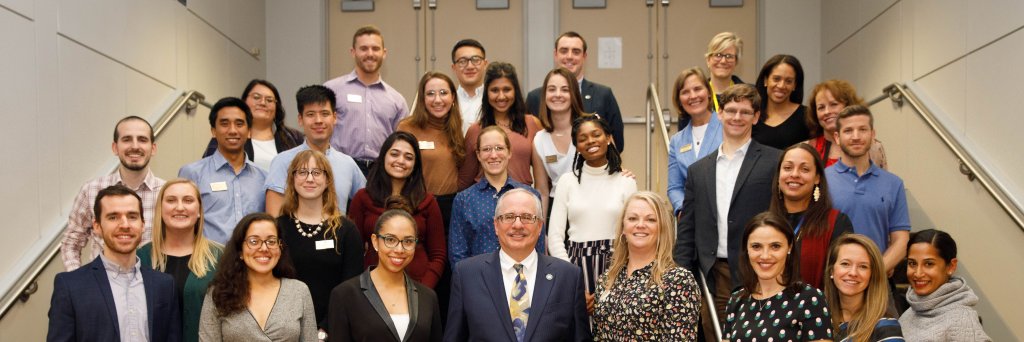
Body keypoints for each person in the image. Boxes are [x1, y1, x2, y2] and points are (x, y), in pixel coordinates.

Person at [672, 84, 781, 340]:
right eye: (731, 110)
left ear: (756, 117)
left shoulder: (775, 161)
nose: (736, 117)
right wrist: (680, 276)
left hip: (760, 270)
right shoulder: (699, 170)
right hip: (714, 274)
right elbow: (687, 228)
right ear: (719, 114)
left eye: (745, 112)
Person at [445, 189, 592, 341]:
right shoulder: (466, 275)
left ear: (540, 226)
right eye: (509, 217)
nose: (517, 224)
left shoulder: (568, 276)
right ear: (496, 225)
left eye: (527, 217)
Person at [48, 185, 181, 342]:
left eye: (132, 216)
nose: (124, 225)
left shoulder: (164, 285)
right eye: (113, 217)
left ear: (143, 225)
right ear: (97, 226)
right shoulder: (70, 286)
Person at [61, 116, 166, 271]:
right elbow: (71, 242)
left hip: (150, 287)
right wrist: (80, 282)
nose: (135, 146)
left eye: (142, 140)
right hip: (100, 288)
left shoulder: (166, 194)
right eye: (127, 139)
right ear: (115, 148)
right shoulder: (91, 190)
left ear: (153, 148)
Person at [547, 115, 636, 296]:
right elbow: (555, 237)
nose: (590, 141)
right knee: (581, 323)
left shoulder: (626, 181)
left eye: (596, 135)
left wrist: (618, 278)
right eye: (582, 139)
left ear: (609, 138)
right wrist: (572, 278)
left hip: (617, 267)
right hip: (575, 267)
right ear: (577, 147)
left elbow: (632, 234)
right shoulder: (567, 182)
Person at [592, 191, 700, 340]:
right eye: (632, 218)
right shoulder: (606, 280)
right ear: (623, 226)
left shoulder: (679, 280)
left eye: (650, 220)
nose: (640, 225)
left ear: (661, 228)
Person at [277, 149, 364, 332]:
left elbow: (351, 289)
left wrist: (324, 330)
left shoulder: (346, 231)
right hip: (284, 328)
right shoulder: (278, 229)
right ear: (292, 179)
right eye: (302, 172)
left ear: (327, 181)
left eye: (317, 173)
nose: (309, 179)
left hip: (334, 328)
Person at [328, 209, 443, 341]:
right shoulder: (345, 294)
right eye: (390, 239)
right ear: (375, 241)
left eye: (408, 241)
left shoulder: (428, 297)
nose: (399, 249)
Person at [349, 132, 446, 288]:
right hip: (371, 288)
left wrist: (423, 290)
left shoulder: (428, 202)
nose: (400, 161)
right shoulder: (362, 198)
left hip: (417, 286)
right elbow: (352, 252)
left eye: (408, 157)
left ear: (415, 165)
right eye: (394, 154)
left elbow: (438, 255)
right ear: (383, 157)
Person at [199, 213, 317, 341]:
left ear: (280, 248)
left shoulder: (298, 291)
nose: (264, 248)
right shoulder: (218, 293)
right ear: (240, 251)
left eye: (271, 241)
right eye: (254, 241)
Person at [825, 105, 910, 279]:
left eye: (862, 129)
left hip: (877, 282)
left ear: (873, 134)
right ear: (837, 137)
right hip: (833, 282)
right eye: (848, 130)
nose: (856, 137)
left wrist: (873, 272)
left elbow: (901, 242)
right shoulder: (821, 180)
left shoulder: (893, 184)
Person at [723, 212, 832, 341]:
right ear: (747, 249)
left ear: (789, 247)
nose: (765, 256)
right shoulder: (736, 300)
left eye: (775, 246)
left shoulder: (810, 299)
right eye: (756, 246)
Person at [137, 179, 223, 342]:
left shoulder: (220, 257)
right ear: (160, 209)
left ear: (199, 211)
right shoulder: (141, 258)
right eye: (171, 200)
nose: (180, 207)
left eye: (188, 200)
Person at [264, 85, 366, 216]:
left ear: (335, 118)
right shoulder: (283, 161)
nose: (318, 121)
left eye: (325, 114)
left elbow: (366, 203)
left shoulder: (348, 164)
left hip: (338, 235)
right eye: (310, 114)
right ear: (300, 119)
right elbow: (274, 218)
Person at [449, 126, 543, 266]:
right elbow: (458, 253)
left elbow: (539, 248)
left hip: (522, 280)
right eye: (487, 149)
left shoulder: (530, 196)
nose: (493, 155)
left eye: (499, 148)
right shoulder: (464, 200)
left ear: (509, 152)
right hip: (479, 281)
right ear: (478, 155)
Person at [179, 97, 267, 244]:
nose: (232, 130)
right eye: (224, 124)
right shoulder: (192, 173)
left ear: (249, 132)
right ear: (213, 131)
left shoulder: (264, 177)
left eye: (239, 124)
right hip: (208, 262)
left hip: (253, 260)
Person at [324, 25, 409, 176]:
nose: (370, 54)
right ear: (353, 52)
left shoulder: (397, 100)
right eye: (364, 48)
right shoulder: (331, 90)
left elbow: (403, 142)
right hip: (339, 169)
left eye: (375, 49)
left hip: (381, 173)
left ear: (384, 53)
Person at [769, 143, 853, 289]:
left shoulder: (836, 223)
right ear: (778, 176)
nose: (794, 174)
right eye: (788, 168)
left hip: (818, 309)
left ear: (817, 178)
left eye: (805, 169)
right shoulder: (765, 224)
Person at [526, 31, 624, 150]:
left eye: (576, 52)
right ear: (555, 54)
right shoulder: (535, 97)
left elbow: (617, 143)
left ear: (584, 56)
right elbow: (528, 145)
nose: (569, 56)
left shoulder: (603, 95)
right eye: (564, 51)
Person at [396, 72, 465, 229]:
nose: (437, 100)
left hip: (451, 207)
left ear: (453, 97)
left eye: (443, 93)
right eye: (430, 94)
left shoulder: (458, 129)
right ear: (422, 99)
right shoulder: (407, 127)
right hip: (416, 204)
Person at [459, 62, 542, 189]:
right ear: (486, 93)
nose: (501, 96)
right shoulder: (475, 130)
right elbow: (465, 181)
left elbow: (542, 176)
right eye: (495, 90)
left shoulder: (532, 124)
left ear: (515, 91)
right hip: (485, 204)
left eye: (507, 89)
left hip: (522, 202)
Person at [900, 229, 991, 341]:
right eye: (912, 263)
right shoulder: (912, 310)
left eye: (929, 264)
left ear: (951, 266)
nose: (918, 273)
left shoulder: (963, 321)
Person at [202, 79, 304, 171]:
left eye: (269, 100)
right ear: (244, 101)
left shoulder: (294, 137)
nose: (263, 103)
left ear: (277, 107)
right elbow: (207, 169)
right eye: (256, 97)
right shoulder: (229, 134)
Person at [824, 234, 905, 342]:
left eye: (863, 266)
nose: (853, 273)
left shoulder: (885, 327)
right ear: (831, 271)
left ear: (872, 275)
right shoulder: (816, 320)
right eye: (845, 264)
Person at [667, 67, 723, 214]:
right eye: (685, 92)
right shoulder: (677, 141)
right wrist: (683, 209)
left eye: (698, 89)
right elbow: (674, 188)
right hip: (691, 218)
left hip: (725, 213)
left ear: (708, 93)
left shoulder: (728, 127)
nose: (693, 96)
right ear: (679, 99)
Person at [532, 67, 586, 216]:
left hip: (590, 207)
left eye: (564, 90)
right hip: (557, 211)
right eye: (551, 89)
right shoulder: (539, 140)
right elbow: (542, 191)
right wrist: (541, 230)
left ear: (574, 94)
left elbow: (614, 170)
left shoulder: (591, 129)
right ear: (544, 95)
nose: (557, 95)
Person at [806, 79, 887, 169]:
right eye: (821, 107)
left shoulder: (873, 147)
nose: (827, 112)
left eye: (833, 104)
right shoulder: (808, 148)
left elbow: (882, 181)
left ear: (848, 106)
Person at [752, 54, 811, 150]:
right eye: (776, 79)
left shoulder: (807, 116)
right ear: (766, 80)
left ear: (795, 85)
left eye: (788, 81)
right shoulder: (752, 115)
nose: (781, 86)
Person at [450, 39, 488, 133]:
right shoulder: (446, 101)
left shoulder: (496, 100)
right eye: (462, 61)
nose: (470, 66)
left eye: (476, 60)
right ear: (454, 68)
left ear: (485, 64)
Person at [704, 32, 745, 115]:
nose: (723, 61)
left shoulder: (749, 95)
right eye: (718, 55)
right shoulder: (697, 96)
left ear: (736, 62)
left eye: (729, 56)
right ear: (708, 60)